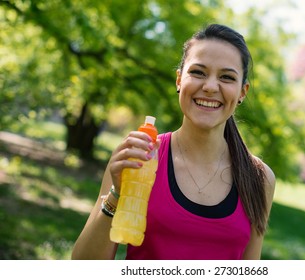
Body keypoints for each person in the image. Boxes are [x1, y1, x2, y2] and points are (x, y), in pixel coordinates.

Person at [71, 23, 276, 260]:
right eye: (198, 72)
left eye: (227, 77)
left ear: (242, 92)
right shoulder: (139, 156)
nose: (210, 87)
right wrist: (117, 194)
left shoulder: (259, 179)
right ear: (179, 80)